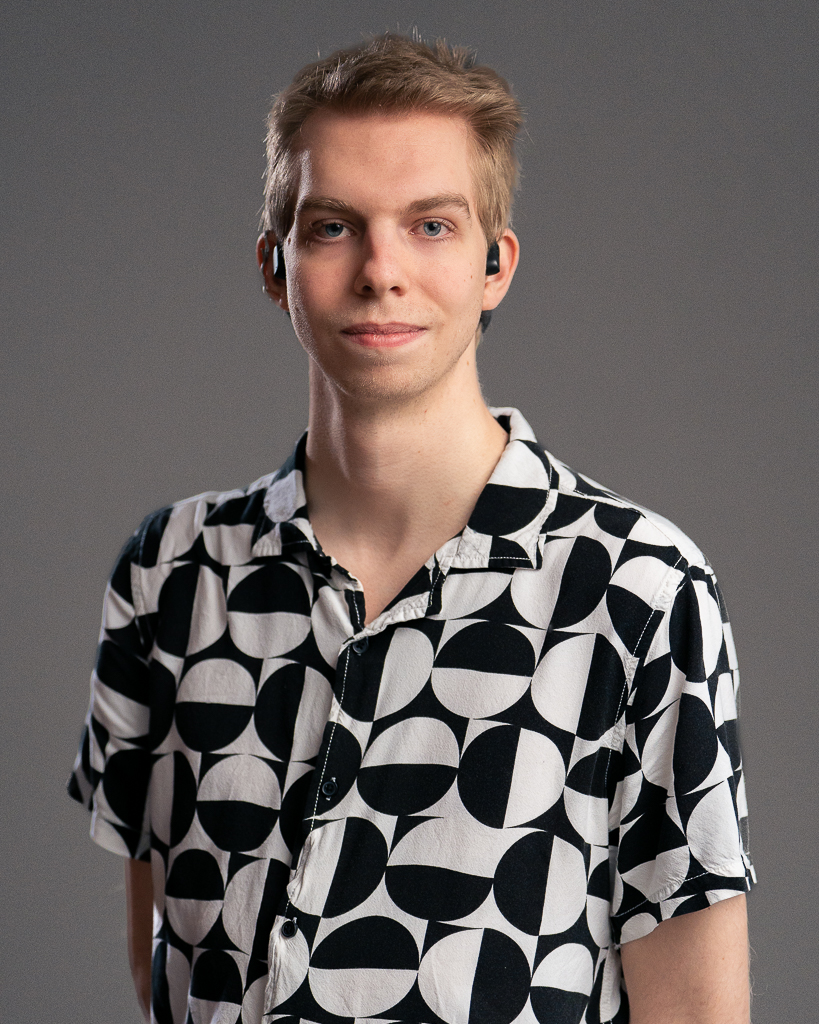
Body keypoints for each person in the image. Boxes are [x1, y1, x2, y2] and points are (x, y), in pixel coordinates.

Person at [69, 33, 756, 1024]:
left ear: (494, 265)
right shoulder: (171, 573)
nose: (380, 270)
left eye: (431, 225)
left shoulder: (638, 589)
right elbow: (168, 968)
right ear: (274, 265)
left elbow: (696, 1012)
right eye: (333, 227)